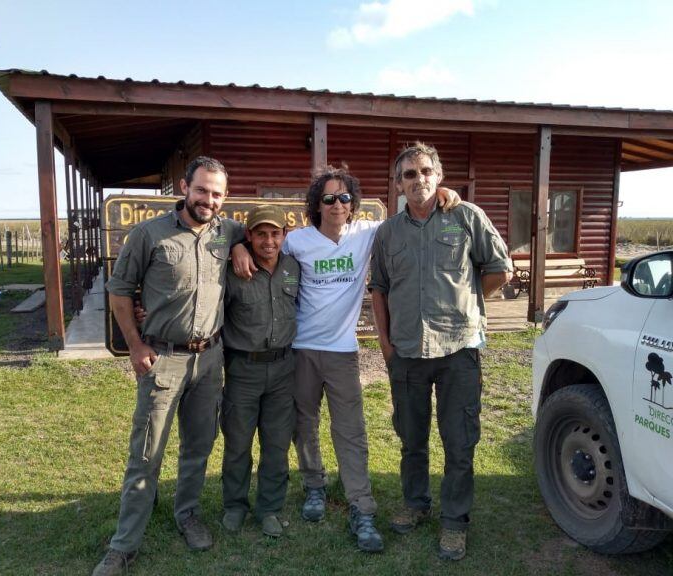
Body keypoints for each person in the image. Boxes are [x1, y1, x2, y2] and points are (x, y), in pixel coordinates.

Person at [233, 165, 460, 553]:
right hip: (301, 350)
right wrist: (239, 244)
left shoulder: (368, 233)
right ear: (316, 205)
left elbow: (411, 217)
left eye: (343, 197)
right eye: (328, 198)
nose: (337, 204)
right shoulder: (297, 242)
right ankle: (314, 486)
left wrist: (444, 193)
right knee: (303, 425)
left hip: (343, 351)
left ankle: (362, 505)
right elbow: (258, 241)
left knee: (350, 430)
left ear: (352, 203)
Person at [93, 156, 243, 576]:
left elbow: (258, 236)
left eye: (216, 194)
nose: (208, 200)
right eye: (201, 190)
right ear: (184, 186)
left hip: (210, 359)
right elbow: (120, 292)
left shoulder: (227, 231)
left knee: (198, 446)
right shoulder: (149, 234)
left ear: (224, 197)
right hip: (163, 359)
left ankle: (188, 514)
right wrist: (135, 344)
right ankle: (124, 545)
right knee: (146, 453)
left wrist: (239, 244)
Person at [369, 142, 512, 561]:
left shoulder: (467, 217)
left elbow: (499, 269)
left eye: (426, 171)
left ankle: (454, 521)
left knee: (459, 441)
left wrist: (467, 304)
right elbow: (379, 287)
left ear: (439, 175)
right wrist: (385, 342)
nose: (419, 179)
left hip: (458, 350)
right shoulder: (388, 232)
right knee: (411, 438)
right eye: (409, 174)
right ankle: (415, 504)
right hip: (408, 351)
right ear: (398, 184)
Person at [219, 205, 300, 538]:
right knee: (238, 444)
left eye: (275, 233)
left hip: (284, 370)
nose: (269, 241)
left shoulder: (294, 267)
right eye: (261, 234)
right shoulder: (231, 271)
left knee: (276, 445)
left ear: (284, 235)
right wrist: (235, 246)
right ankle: (235, 505)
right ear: (249, 236)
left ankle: (269, 508)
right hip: (243, 369)